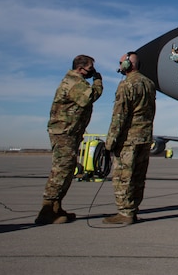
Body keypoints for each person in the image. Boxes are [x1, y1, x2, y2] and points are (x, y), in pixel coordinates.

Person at [35, 55, 104, 225]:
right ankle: (46, 210)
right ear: (81, 68)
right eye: (90, 68)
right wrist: (98, 80)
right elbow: (89, 97)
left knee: (68, 168)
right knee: (61, 169)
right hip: (64, 132)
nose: (92, 71)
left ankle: (56, 207)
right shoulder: (74, 82)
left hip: (69, 132)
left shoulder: (75, 81)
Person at [103, 51, 156, 225]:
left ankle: (124, 213)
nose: (119, 67)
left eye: (121, 63)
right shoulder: (149, 84)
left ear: (128, 64)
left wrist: (110, 140)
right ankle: (133, 210)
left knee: (123, 176)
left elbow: (120, 115)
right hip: (145, 137)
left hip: (129, 139)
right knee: (138, 176)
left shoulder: (126, 85)